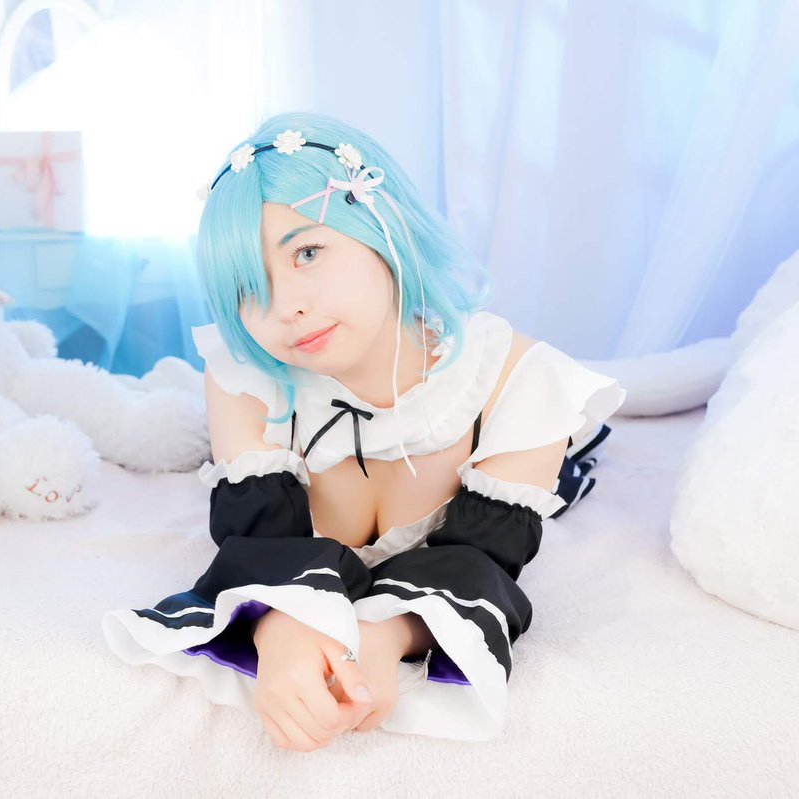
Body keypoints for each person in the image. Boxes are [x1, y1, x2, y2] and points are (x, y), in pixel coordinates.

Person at [102, 112, 626, 750]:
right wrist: (279, 628)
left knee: (560, 467)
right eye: (247, 286)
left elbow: (487, 562)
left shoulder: (520, 380)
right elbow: (257, 543)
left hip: (515, 437)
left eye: (307, 252)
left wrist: (385, 637)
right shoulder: (246, 375)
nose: (284, 307)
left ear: (383, 227)